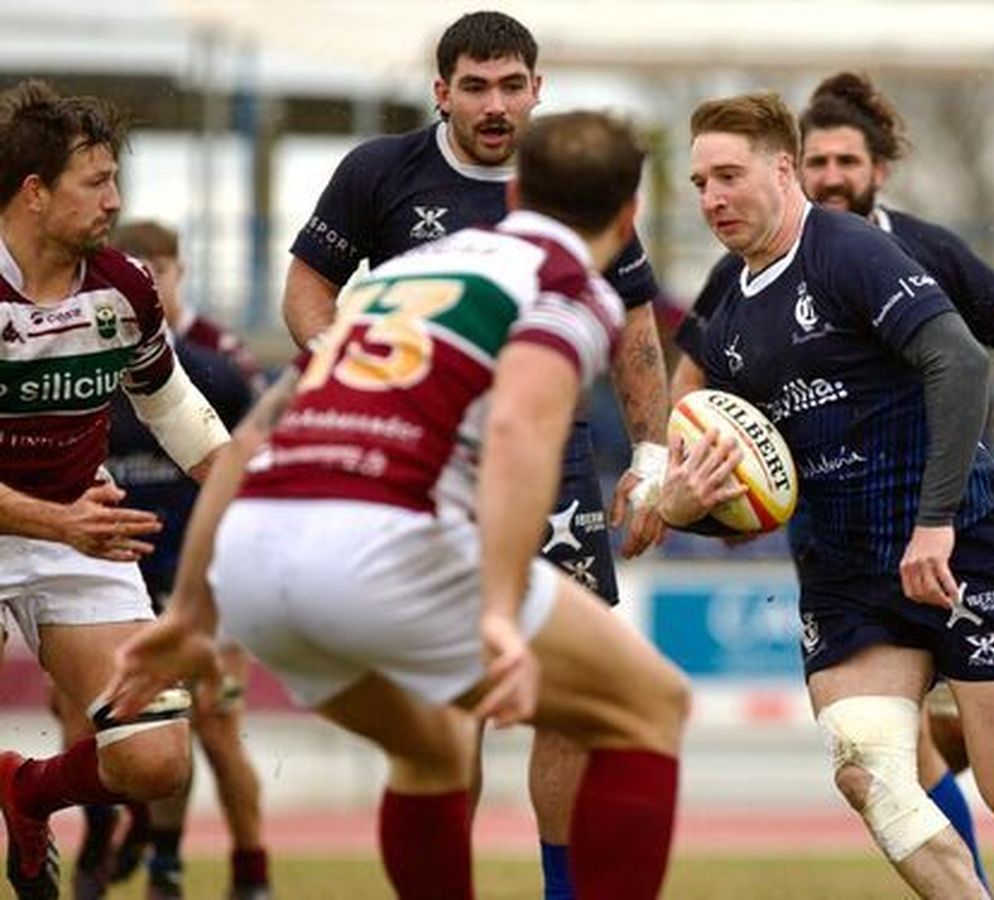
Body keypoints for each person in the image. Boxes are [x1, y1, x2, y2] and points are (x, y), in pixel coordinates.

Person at [108, 110, 689, 900]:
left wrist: (190, 614)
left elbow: (252, 437)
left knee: (433, 751)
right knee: (652, 705)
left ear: (515, 191)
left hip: (252, 560)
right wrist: (493, 612)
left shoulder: (399, 276)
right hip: (375, 548)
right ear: (628, 218)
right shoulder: (568, 285)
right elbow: (523, 425)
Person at [674, 71, 994, 886]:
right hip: (845, 571)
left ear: (780, 172)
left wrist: (938, 522)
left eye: (729, 176)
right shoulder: (728, 305)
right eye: (699, 184)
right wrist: (680, 499)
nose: (712, 198)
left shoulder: (852, 250)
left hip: (954, 539)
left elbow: (963, 361)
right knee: (870, 774)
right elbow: (726, 454)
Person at [278, 13, 673, 897]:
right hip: (424, 469)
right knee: (449, 705)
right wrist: (345, 368)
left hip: (554, 463)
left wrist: (651, 453)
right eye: (476, 87)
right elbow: (307, 287)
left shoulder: (571, 180)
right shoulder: (379, 172)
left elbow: (637, 329)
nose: (495, 107)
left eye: (511, 86)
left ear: (539, 88)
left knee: (570, 700)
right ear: (441, 91)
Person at [0, 79, 233, 900]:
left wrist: (256, 502)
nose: (116, 199)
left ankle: (28, 792)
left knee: (155, 759)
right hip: (59, 523)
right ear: (35, 193)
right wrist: (56, 523)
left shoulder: (126, 285)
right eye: (95, 181)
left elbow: (171, 406)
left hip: (78, 530)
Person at [70, 220, 269, 900]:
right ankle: (102, 838)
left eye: (161, 266)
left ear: (179, 271)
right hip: (111, 564)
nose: (149, 279)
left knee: (213, 726)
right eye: (138, 265)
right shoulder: (87, 346)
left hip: (202, 574)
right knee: (84, 716)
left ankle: (242, 870)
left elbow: (252, 461)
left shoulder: (219, 359)